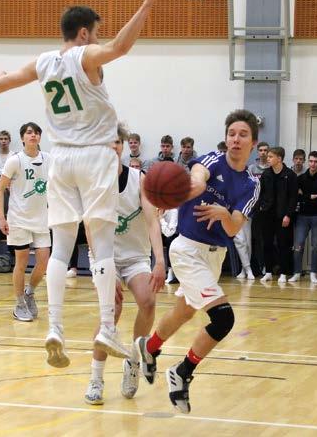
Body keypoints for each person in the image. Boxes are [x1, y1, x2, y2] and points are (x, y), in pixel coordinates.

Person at [0, 0, 163, 367]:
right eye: (94, 32)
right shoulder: (86, 55)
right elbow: (119, 47)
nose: (97, 38)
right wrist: (148, 3)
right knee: (100, 243)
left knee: (61, 246)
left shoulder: (44, 62)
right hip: (95, 155)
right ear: (83, 33)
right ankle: (106, 327)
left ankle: (55, 327)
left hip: (59, 158)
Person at [136, 110, 260, 414]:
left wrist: (222, 213)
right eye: (232, 133)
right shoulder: (210, 161)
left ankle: (148, 348)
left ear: (253, 143)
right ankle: (182, 371)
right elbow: (195, 179)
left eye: (243, 134)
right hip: (187, 249)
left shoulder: (252, 185)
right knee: (224, 319)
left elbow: (233, 229)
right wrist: (182, 192)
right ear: (226, 137)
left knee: (184, 312)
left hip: (215, 256)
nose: (235, 139)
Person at [85, 123, 165, 405]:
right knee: (112, 311)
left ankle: (132, 361)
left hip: (134, 256)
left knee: (148, 301)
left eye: (117, 143)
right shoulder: (93, 181)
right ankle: (96, 378)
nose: (113, 147)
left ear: (122, 146)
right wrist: (104, 271)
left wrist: (159, 260)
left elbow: (153, 219)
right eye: (108, 143)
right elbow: (89, 228)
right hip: (105, 256)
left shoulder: (139, 178)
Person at [0, 122, 51, 322]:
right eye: (29, 133)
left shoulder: (49, 159)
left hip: (42, 219)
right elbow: (0, 189)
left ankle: (29, 292)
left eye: (36, 132)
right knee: (21, 262)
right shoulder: (15, 161)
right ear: (22, 138)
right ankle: (19, 303)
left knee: (44, 261)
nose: (33, 135)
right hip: (18, 219)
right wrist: (2, 217)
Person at [259, 147, 297, 284]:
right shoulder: (266, 174)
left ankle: (283, 272)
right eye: (267, 157)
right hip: (267, 214)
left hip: (283, 216)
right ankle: (268, 271)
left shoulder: (290, 175)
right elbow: (261, 193)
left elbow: (293, 198)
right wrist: (262, 207)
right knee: (267, 243)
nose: (267, 159)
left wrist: (288, 215)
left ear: (279, 159)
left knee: (283, 245)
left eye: (270, 157)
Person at [290, 151, 317, 283]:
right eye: (311, 161)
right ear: (308, 162)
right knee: (298, 244)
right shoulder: (300, 179)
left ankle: (313, 273)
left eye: (316, 161)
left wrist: (307, 197)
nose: (313, 164)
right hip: (302, 216)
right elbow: (297, 196)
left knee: (316, 245)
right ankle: (297, 272)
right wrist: (309, 197)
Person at [248, 141, 270, 276]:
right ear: (258, 152)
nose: (263, 152)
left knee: (268, 239)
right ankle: (257, 266)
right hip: (255, 208)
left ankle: (267, 266)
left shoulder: (271, 167)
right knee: (256, 239)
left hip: (268, 207)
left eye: (265, 150)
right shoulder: (251, 168)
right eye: (260, 150)